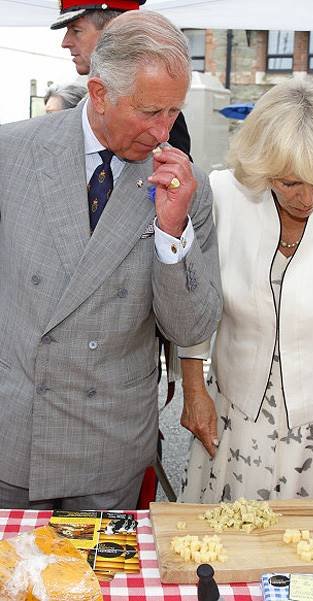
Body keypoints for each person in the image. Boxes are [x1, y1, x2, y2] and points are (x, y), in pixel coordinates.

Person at [0, 10, 221, 510]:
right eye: (149, 112)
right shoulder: (10, 155)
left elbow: (191, 327)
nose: (165, 131)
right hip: (14, 434)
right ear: (99, 93)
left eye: (174, 112)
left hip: (107, 447)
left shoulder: (186, 186)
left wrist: (172, 231)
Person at [179, 78, 313, 506]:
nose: (308, 198)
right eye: (290, 183)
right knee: (227, 549)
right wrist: (193, 390)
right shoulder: (225, 193)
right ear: (262, 168)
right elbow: (195, 303)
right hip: (238, 414)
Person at [50, 0, 192, 157]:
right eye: (150, 112)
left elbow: (173, 171)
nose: (65, 42)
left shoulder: (159, 102)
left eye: (76, 30)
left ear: (115, 31)